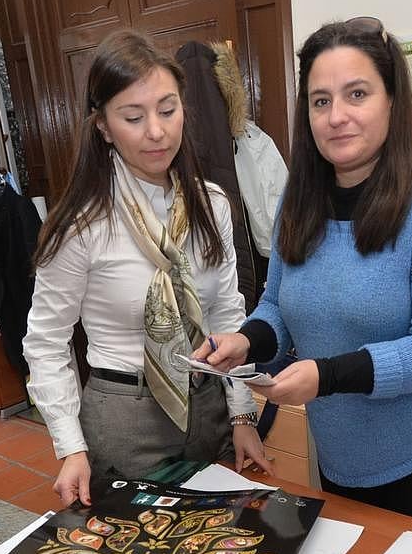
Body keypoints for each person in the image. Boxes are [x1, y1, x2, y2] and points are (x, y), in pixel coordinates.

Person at [195, 17, 412, 536]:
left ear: (391, 102)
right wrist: (246, 342)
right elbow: (277, 305)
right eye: (320, 101)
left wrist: (327, 376)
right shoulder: (300, 196)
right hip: (345, 452)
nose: (336, 116)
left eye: (356, 94)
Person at [23, 29, 271, 508]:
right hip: (124, 418)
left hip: (208, 406)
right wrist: (70, 447)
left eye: (168, 109)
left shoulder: (211, 204)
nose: (157, 132)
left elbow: (226, 313)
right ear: (103, 126)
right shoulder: (82, 224)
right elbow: (46, 341)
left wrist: (242, 417)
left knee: (219, 550)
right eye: (133, 117)